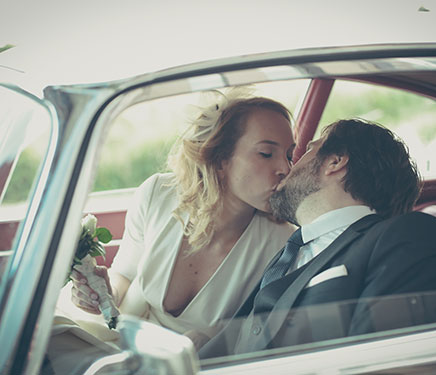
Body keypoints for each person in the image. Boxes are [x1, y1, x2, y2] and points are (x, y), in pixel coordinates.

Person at [199, 118, 436, 358]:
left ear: (335, 162)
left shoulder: (409, 237)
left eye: (305, 152)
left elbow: (392, 362)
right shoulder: (289, 252)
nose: (288, 167)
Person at [69, 90, 296, 349]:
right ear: (221, 158)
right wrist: (103, 294)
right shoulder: (157, 194)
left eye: (289, 155)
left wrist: (215, 342)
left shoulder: (283, 244)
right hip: (119, 346)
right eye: (266, 153)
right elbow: (125, 273)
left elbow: (262, 335)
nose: (286, 169)